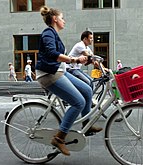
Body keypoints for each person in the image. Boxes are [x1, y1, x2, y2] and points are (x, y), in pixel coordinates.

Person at [35, 6, 102, 156]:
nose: (64, 21)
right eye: (62, 18)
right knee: (78, 102)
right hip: (48, 74)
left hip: (60, 71)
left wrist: (84, 60)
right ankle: (59, 138)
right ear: (55, 19)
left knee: (87, 89)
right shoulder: (48, 33)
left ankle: (87, 123)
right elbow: (52, 54)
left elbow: (62, 59)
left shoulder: (54, 34)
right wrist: (74, 59)